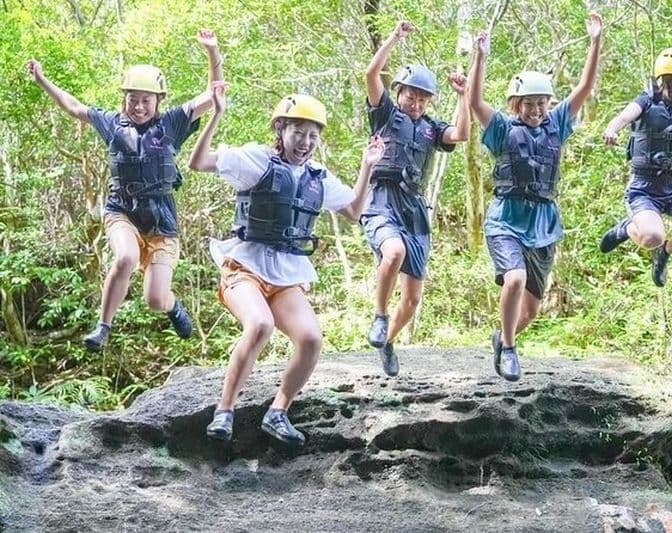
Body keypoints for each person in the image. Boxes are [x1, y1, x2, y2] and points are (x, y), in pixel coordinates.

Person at [188, 83, 384, 444]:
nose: (305, 142)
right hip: (243, 268)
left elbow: (355, 210)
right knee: (259, 324)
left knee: (310, 338)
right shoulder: (257, 160)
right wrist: (216, 114)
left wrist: (367, 165)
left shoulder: (317, 179)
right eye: (298, 132)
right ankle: (224, 412)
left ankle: (278, 412)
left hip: (285, 276)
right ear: (281, 130)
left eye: (312, 135)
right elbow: (198, 162)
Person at [27, 29, 224, 351]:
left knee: (156, 299)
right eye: (133, 99)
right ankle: (103, 327)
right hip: (122, 209)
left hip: (162, 221)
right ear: (125, 99)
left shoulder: (172, 123)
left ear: (159, 101)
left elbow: (211, 92)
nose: (139, 106)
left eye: (146, 100)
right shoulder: (112, 123)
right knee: (126, 258)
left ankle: (172, 306)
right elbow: (74, 106)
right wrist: (43, 81)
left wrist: (212, 52)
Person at [468, 14, 603, 381]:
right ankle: (510, 349)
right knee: (513, 279)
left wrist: (594, 41)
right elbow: (475, 101)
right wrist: (479, 58)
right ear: (515, 105)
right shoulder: (500, 130)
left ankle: (503, 336)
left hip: (544, 224)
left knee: (529, 311)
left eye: (542, 103)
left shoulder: (556, 125)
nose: (536, 110)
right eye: (528, 104)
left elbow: (585, 87)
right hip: (506, 220)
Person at [362, 20, 470, 377]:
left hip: (415, 209)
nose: (416, 102)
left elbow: (461, 133)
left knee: (411, 300)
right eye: (411, 95)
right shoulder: (385, 113)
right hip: (382, 199)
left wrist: (463, 96)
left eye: (423, 97)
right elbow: (371, 72)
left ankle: (389, 339)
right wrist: (394, 37)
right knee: (393, 252)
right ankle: (379, 315)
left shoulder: (431, 127)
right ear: (400, 92)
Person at [599, 47, 672, 287]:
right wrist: (612, 129)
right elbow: (623, 117)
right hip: (644, 188)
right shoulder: (646, 101)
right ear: (668, 79)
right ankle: (627, 229)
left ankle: (665, 252)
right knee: (652, 236)